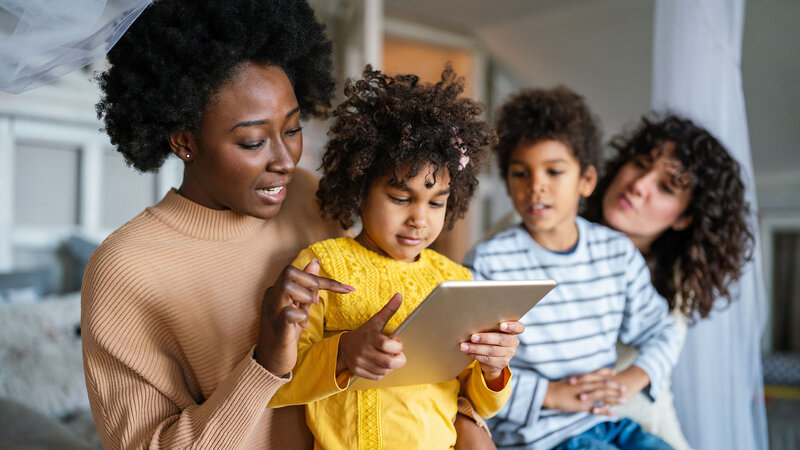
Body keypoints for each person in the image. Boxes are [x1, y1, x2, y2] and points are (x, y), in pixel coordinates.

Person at [82, 0, 362, 447]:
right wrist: (265, 363)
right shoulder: (124, 270)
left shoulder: (311, 196)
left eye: (292, 129)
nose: (286, 160)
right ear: (184, 140)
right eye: (252, 142)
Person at [267, 66, 522, 449]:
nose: (419, 219)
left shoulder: (456, 280)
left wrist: (495, 367)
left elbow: (479, 404)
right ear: (360, 187)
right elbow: (279, 387)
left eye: (437, 202)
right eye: (401, 198)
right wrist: (344, 354)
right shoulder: (321, 265)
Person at [464, 86, 681, 450]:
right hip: (540, 438)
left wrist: (631, 379)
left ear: (587, 181)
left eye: (554, 171)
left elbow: (663, 330)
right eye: (521, 173)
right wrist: (549, 394)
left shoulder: (617, 253)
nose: (536, 187)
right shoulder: (489, 261)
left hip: (611, 425)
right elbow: (466, 369)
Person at [580, 114, 754, 449]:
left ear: (685, 217)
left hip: (634, 423)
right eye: (640, 163)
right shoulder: (537, 222)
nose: (639, 185)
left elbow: (656, 374)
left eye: (666, 187)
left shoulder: (675, 283)